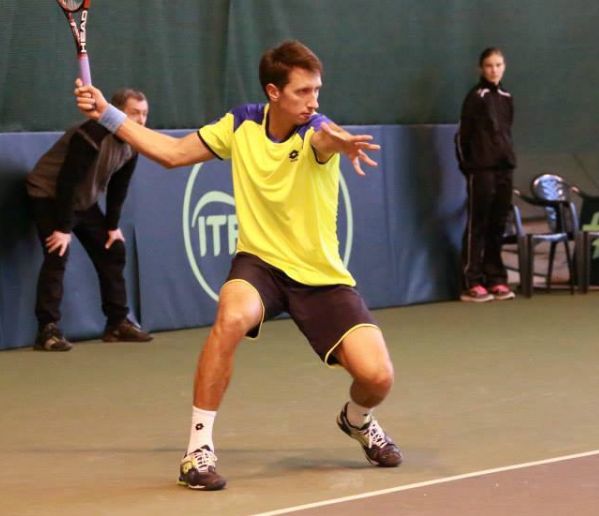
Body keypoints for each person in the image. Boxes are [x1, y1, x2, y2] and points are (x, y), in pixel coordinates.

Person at [74, 40, 402, 490]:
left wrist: (339, 141)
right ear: (273, 92)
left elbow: (326, 137)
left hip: (321, 277)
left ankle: (357, 420)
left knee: (377, 377)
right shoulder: (241, 124)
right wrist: (109, 115)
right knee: (230, 319)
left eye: (317, 90)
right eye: (302, 91)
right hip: (260, 264)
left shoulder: (317, 131)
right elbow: (172, 154)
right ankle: (198, 451)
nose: (313, 101)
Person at [26, 88, 154, 351]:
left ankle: (117, 323)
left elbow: (119, 185)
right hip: (49, 194)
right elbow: (67, 181)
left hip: (83, 200)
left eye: (145, 114)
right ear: (116, 112)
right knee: (57, 252)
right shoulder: (92, 135)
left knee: (112, 250)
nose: (141, 121)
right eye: (135, 113)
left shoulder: (134, 143)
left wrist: (112, 226)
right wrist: (63, 228)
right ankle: (47, 330)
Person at [455, 48, 517, 303]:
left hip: (505, 169)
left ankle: (496, 278)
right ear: (481, 68)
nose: (494, 70)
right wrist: (470, 168)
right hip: (481, 171)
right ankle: (471, 281)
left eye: (498, 65)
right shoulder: (475, 97)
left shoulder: (506, 97)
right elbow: (462, 137)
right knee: (478, 224)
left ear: (504, 67)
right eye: (489, 65)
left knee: (498, 224)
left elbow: (506, 132)